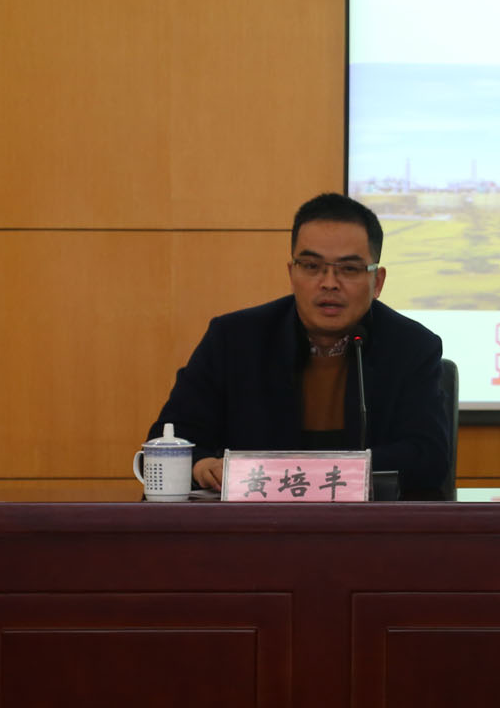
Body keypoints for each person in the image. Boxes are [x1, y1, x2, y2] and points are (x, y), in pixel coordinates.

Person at [147, 193, 452, 499]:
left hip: (367, 525)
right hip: (255, 523)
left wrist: (312, 472)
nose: (329, 282)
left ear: (378, 282)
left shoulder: (411, 346)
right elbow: (170, 436)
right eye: (311, 266)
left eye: (348, 269)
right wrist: (200, 465)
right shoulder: (234, 339)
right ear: (292, 274)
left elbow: (429, 457)